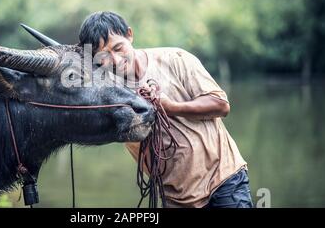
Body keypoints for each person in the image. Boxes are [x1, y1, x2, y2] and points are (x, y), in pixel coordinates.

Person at [78, 11, 253, 208]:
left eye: (119, 48)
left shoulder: (176, 59)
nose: (116, 61)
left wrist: (171, 107)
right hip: (175, 196)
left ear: (129, 35)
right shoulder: (107, 92)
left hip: (223, 180)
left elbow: (221, 105)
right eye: (104, 57)